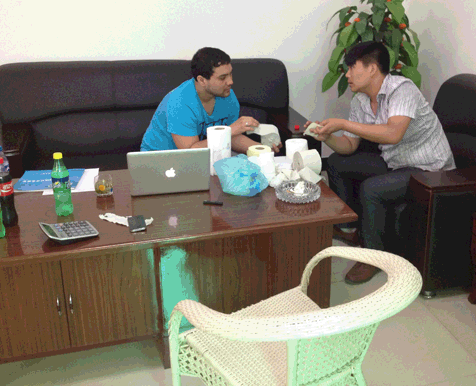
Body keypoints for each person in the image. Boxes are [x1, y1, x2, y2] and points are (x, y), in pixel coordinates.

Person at [310, 41, 455, 285]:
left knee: (372, 188)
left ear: (372, 68)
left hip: (430, 169)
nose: (347, 74)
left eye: (352, 67)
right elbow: (350, 145)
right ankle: (349, 228)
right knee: (336, 162)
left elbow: (393, 133)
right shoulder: (360, 100)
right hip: (396, 162)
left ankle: (374, 258)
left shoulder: (402, 90)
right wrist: (327, 138)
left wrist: (343, 123)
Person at [141, 47, 279, 153]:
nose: (230, 81)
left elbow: (231, 137)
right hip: (161, 159)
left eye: (230, 74)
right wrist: (229, 130)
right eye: (222, 77)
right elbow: (190, 151)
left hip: (203, 156)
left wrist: (262, 150)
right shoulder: (180, 103)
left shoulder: (226, 95)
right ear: (202, 80)